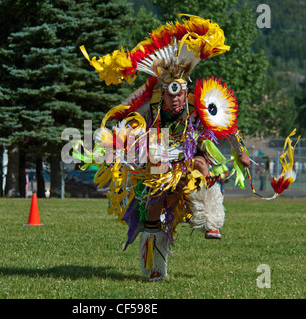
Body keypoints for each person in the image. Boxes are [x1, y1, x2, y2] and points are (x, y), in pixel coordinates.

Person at [81, 15, 251, 281]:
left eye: (180, 94)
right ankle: (154, 267)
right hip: (159, 161)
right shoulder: (151, 105)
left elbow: (227, 124)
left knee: (202, 165)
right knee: (153, 208)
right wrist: (112, 142)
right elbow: (123, 114)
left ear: (186, 92)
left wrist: (240, 151)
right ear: (163, 92)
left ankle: (211, 221)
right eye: (171, 95)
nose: (176, 100)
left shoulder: (197, 104)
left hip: (189, 158)